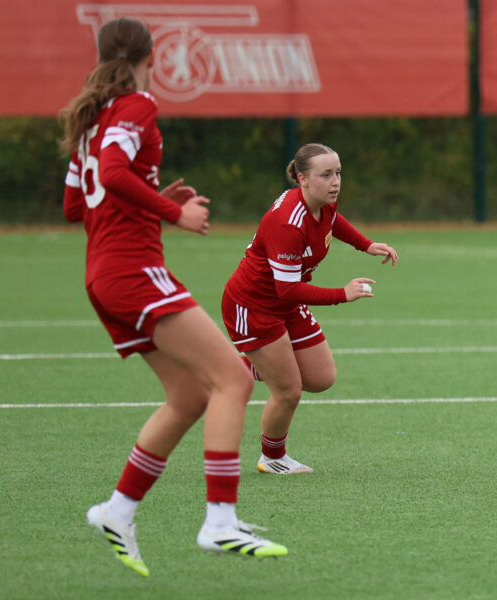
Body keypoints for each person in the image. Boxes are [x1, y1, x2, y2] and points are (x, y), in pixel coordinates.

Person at [60, 17, 287, 576]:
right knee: (234, 377)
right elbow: (112, 174)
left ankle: (117, 511)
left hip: (101, 276)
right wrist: (172, 211)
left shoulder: (92, 118)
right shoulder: (137, 103)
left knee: (188, 396)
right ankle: (219, 521)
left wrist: (152, 197)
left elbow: (75, 205)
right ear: (151, 56)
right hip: (132, 270)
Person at [221, 143, 398, 475]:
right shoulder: (288, 222)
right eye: (326, 174)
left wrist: (365, 244)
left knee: (321, 377)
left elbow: (332, 222)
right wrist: (341, 294)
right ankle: (272, 458)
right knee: (289, 391)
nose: (335, 182)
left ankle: (240, 369)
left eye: (338, 173)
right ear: (302, 179)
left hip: (285, 303)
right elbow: (286, 289)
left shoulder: (321, 203)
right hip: (254, 305)